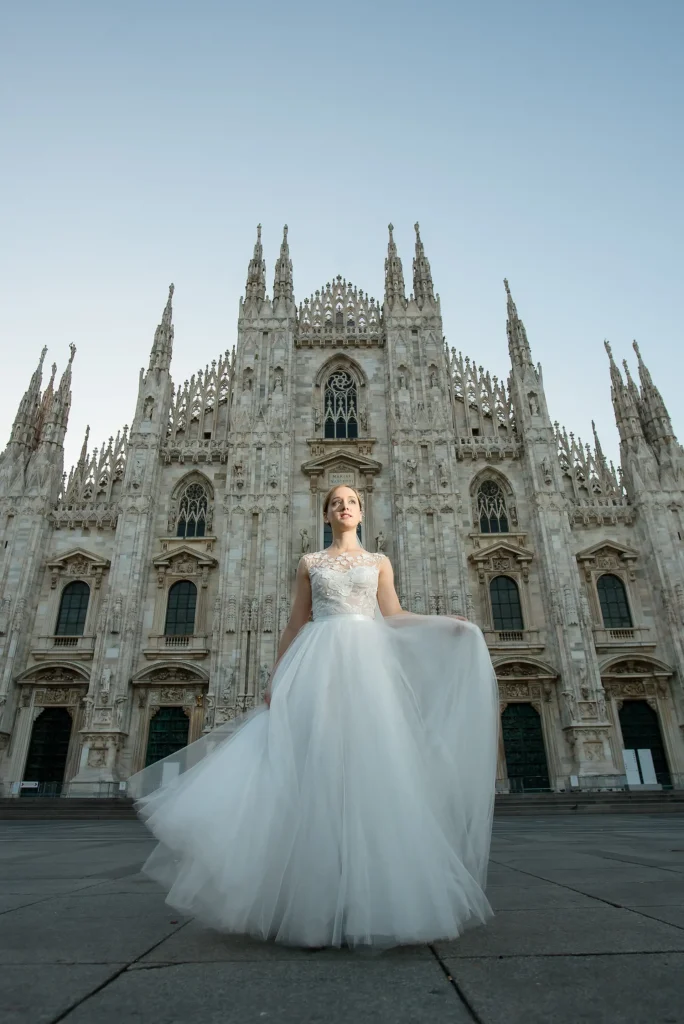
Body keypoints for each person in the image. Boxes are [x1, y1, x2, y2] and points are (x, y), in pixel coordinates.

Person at [129, 485, 499, 949]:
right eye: (335, 502)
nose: (344, 507)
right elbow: (295, 622)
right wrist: (275, 678)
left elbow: (395, 615)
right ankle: (313, 901)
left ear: (363, 512)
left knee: (371, 774)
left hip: (368, 671)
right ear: (326, 513)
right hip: (317, 665)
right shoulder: (310, 563)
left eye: (352, 501)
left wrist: (448, 625)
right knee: (315, 770)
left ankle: (367, 897)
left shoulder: (379, 562)